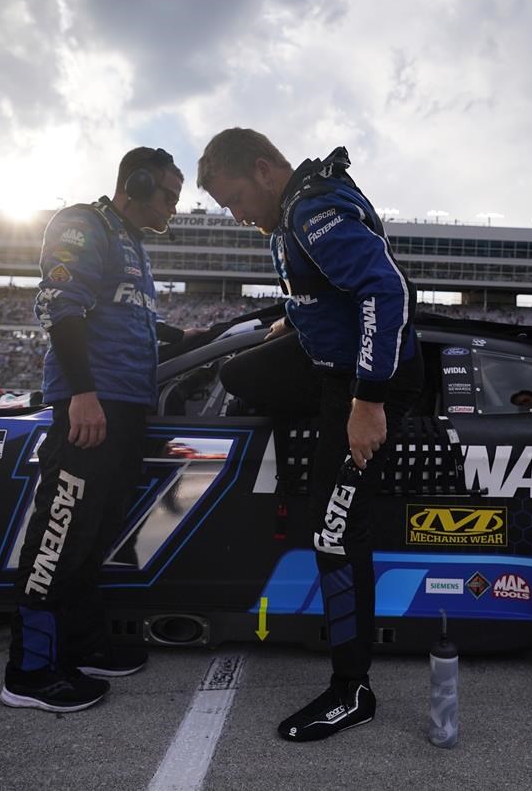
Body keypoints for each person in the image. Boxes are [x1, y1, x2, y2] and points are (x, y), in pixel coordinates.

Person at [198, 128, 421, 742]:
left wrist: (368, 402)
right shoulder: (293, 211)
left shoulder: (313, 210)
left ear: (267, 170)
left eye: (236, 199)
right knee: (238, 369)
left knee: (334, 533)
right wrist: (293, 318)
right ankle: (324, 435)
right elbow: (327, 292)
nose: (237, 216)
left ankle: (352, 690)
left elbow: (386, 290)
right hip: (330, 368)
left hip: (369, 382)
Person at [1, 147, 186, 713]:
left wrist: (235, 330)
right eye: (170, 196)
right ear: (138, 182)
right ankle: (29, 673)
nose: (174, 209)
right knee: (59, 537)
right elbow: (60, 306)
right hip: (92, 406)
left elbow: (146, 331)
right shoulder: (84, 224)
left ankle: (79, 648)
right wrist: (82, 394)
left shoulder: (132, 243)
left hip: (125, 409)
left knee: (90, 538)